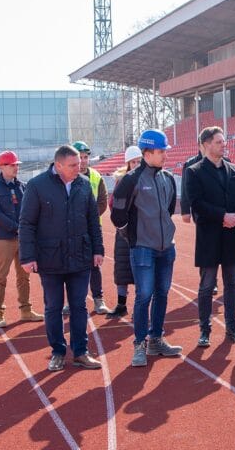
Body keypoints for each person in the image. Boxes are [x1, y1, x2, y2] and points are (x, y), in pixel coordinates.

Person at [19, 145, 105, 372]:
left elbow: (93, 222)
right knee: (53, 307)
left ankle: (81, 352)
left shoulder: (84, 185)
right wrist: (28, 256)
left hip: (80, 257)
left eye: (80, 163)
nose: (80, 167)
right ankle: (57, 352)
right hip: (50, 258)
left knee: (79, 306)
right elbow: (26, 223)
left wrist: (98, 250)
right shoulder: (37, 186)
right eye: (74, 165)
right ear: (58, 165)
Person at [110, 129, 183, 367]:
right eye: (161, 151)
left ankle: (156, 339)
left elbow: (169, 210)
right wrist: (133, 236)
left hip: (166, 248)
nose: (165, 156)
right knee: (144, 296)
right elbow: (118, 216)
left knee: (162, 293)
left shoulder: (168, 178)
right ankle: (139, 344)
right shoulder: (131, 180)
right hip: (142, 248)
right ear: (147, 152)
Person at [184, 127, 235, 347]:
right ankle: (205, 329)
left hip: (233, 235)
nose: (224, 144)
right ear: (206, 144)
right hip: (209, 237)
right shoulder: (194, 171)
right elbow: (197, 203)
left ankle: (232, 327)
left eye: (224, 141)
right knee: (207, 285)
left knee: (232, 284)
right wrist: (222, 216)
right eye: (218, 142)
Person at [0, 151, 44, 328]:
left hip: (23, 239)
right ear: (2, 167)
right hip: (4, 238)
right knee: (1, 276)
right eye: (12, 165)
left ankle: (26, 310)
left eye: (17, 164)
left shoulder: (23, 186)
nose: (16, 168)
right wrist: (17, 228)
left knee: (24, 276)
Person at [70, 141, 110, 316]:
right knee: (70, 266)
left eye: (86, 157)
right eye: (81, 157)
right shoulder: (66, 177)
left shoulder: (96, 177)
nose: (84, 161)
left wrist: (88, 219)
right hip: (71, 230)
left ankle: (98, 300)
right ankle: (70, 301)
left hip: (92, 229)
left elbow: (102, 202)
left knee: (95, 264)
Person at [105, 146, 143, 318]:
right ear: (128, 163)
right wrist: (123, 223)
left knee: (142, 269)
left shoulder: (149, 179)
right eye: (133, 162)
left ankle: (140, 306)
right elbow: (113, 204)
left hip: (143, 231)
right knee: (122, 267)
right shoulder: (122, 180)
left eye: (139, 161)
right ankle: (121, 304)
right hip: (124, 230)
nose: (136, 164)